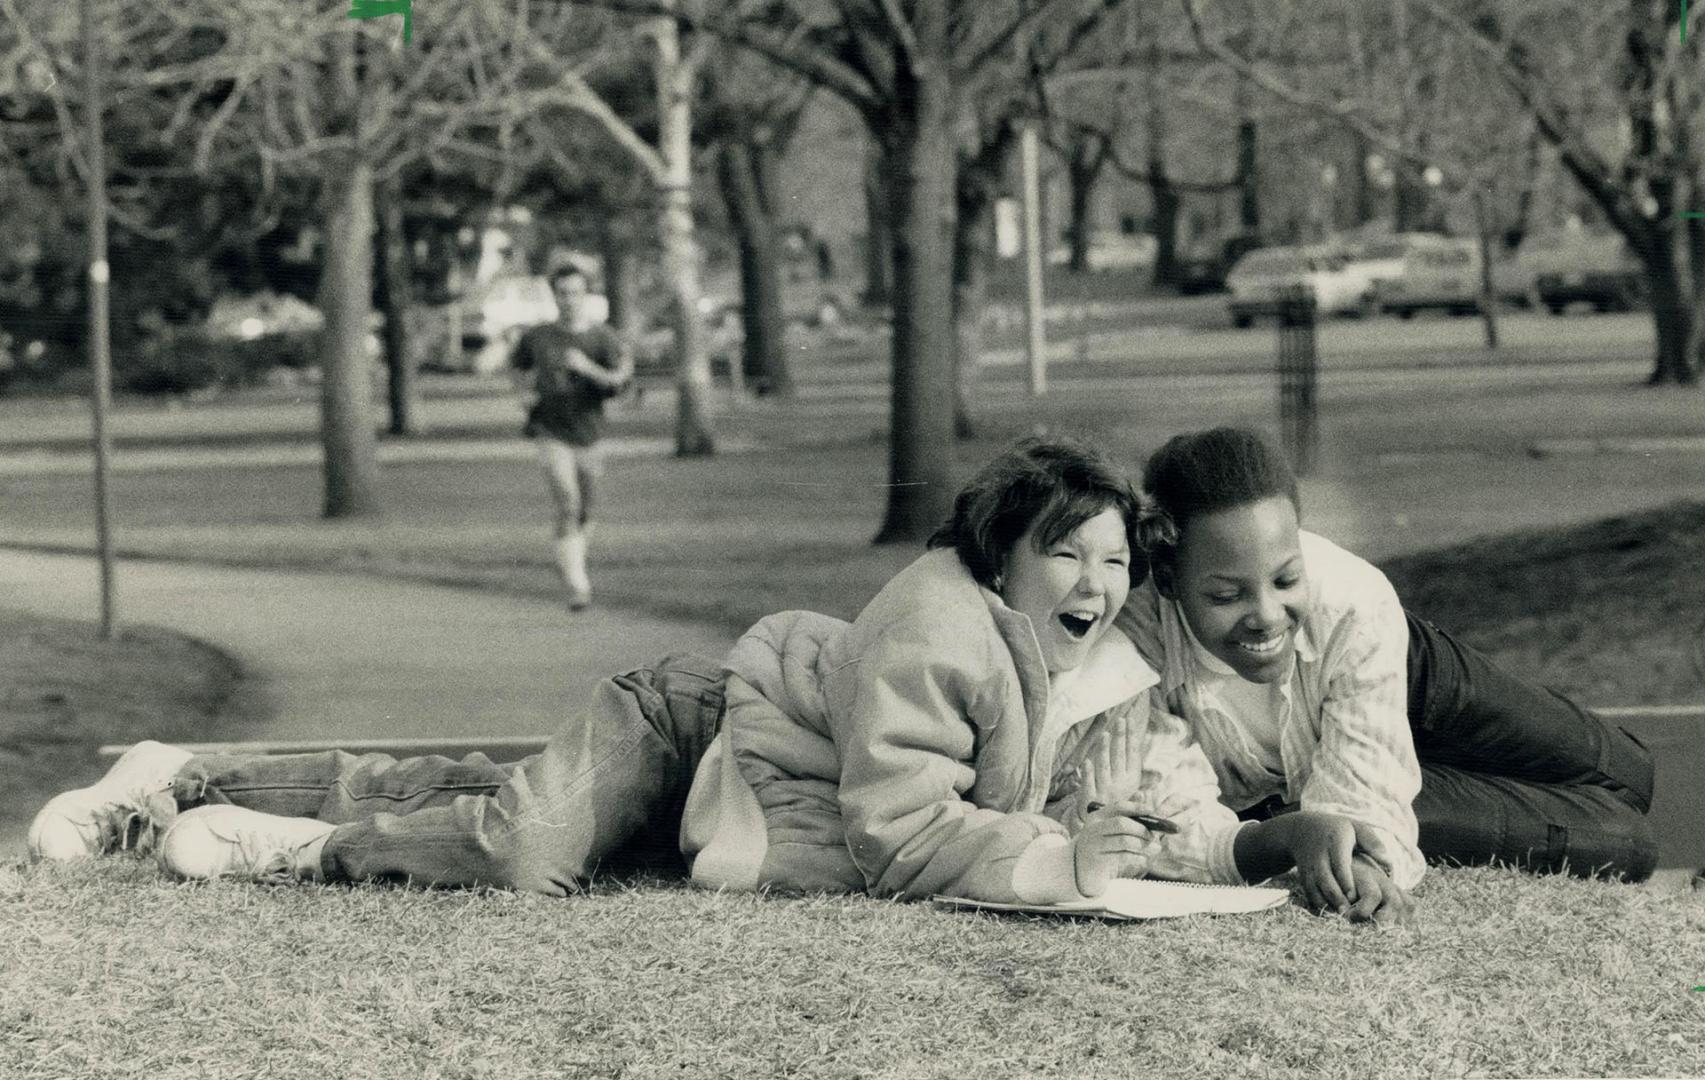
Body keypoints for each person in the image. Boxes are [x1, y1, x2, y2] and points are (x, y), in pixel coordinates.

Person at [28, 438, 1356, 907]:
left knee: (458, 787)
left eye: (1114, 561)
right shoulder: (938, 631)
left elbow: (1158, 799)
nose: (1097, 585)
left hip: (743, 796)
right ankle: (274, 846)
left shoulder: (1105, 673)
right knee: (517, 848)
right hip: (692, 723)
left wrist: (1264, 844)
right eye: (1064, 556)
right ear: (998, 559)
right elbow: (898, 833)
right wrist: (1055, 854)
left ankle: (173, 771)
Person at [1116, 426, 1657, 925]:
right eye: (1225, 595)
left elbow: (1356, 791)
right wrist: (1329, 851)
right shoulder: (1134, 641)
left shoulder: (1353, 601)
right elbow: (1168, 821)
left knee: (1632, 771)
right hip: (1297, 789)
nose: (1266, 614)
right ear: (1167, 581)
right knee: (1628, 843)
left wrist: (1351, 832)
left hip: (1403, 673)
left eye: (1286, 578)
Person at [511, 265, 633, 610]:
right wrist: (523, 393)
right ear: (554, 295)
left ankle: (568, 555)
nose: (568, 300)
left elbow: (620, 382)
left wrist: (587, 368)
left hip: (590, 432)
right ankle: (578, 585)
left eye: (574, 293)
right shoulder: (538, 337)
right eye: (561, 293)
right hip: (550, 430)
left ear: (586, 295)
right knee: (568, 501)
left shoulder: (602, 337)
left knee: (586, 510)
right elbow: (517, 368)